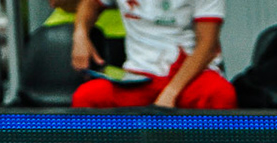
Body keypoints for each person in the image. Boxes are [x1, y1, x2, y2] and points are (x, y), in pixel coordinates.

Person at [69, 0, 235, 110]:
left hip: (189, 76)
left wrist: (171, 92)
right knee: (87, 97)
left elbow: (207, 46)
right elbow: (90, 4)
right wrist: (80, 33)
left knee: (221, 94)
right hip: (139, 76)